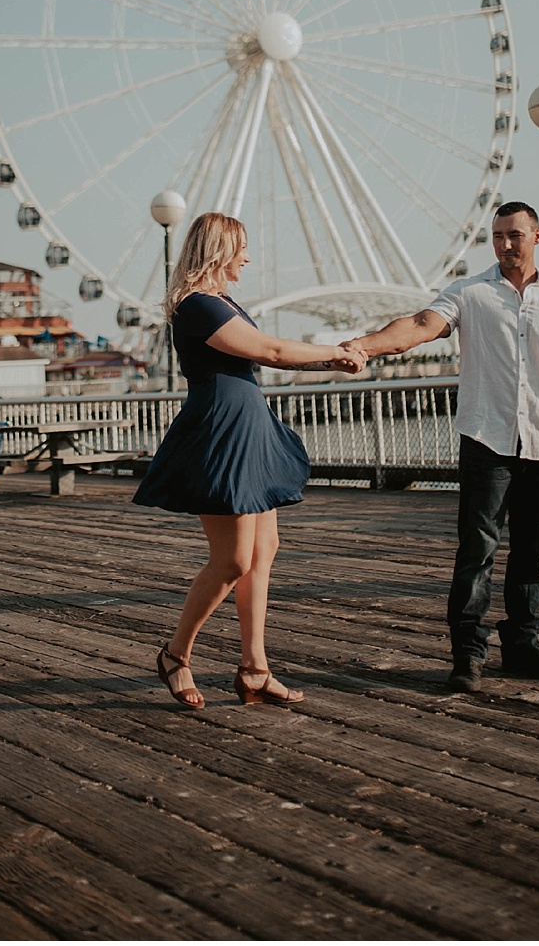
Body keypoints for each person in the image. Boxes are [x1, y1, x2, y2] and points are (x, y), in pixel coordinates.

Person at [345, 201, 539, 693]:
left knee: (533, 552)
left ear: (537, 236)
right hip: (486, 440)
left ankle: (523, 646)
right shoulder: (469, 294)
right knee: (478, 550)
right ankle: (468, 656)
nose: (505, 244)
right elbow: (420, 325)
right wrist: (366, 344)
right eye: (497, 236)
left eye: (514, 235)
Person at [134, 212, 366, 709]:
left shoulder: (222, 302)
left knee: (263, 554)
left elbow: (267, 353)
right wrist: (333, 351)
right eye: (241, 247)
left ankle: (255, 668)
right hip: (219, 435)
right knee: (234, 559)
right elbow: (272, 350)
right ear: (218, 250)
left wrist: (332, 360)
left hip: (250, 429)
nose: (248, 257)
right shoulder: (197, 306)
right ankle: (175, 655)